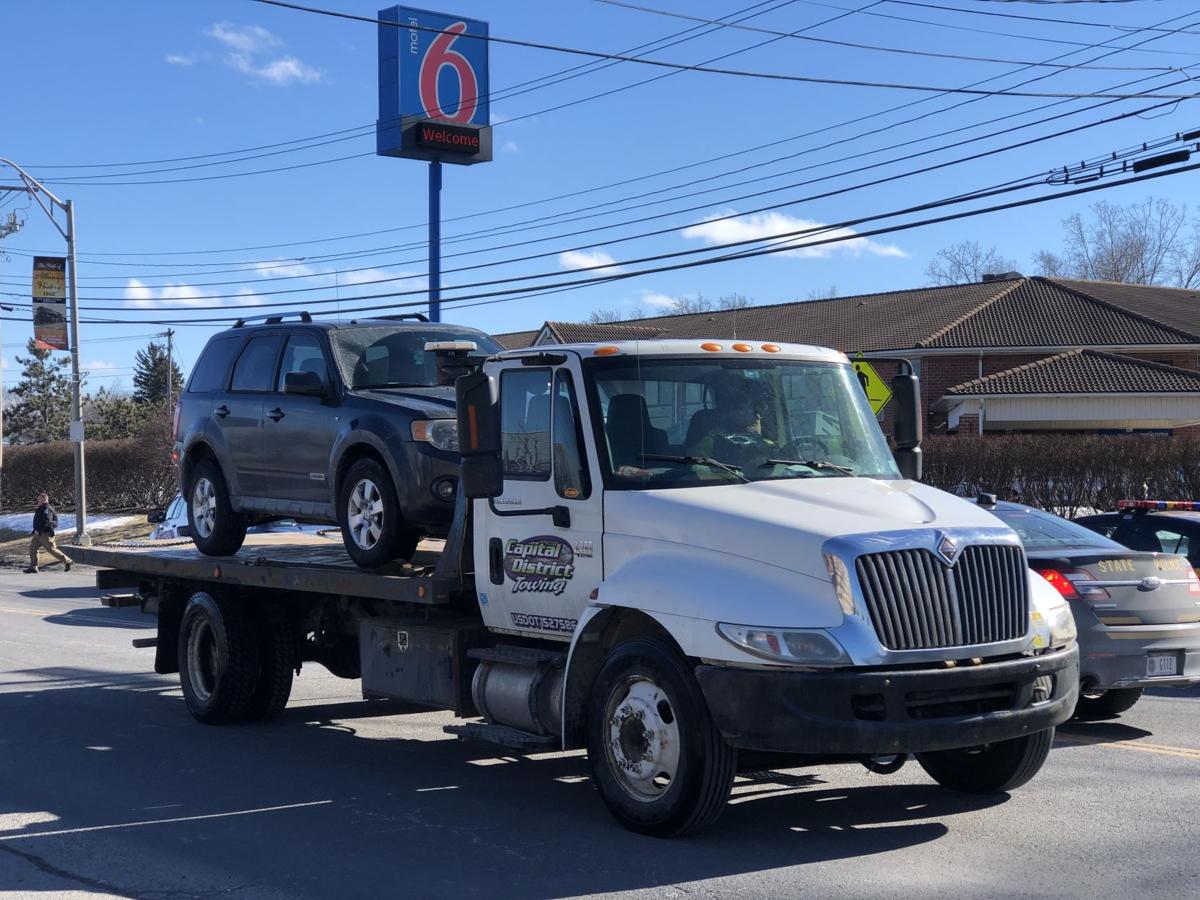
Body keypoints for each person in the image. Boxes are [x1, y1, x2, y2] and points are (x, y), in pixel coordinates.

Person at [26, 491, 71, 574]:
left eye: (39, 499)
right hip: (38, 534)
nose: (38, 501)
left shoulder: (47, 509)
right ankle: (33, 567)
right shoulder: (41, 508)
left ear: (44, 499)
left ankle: (67, 561)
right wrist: (35, 530)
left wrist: (39, 529)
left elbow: (46, 521)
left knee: (52, 550)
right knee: (32, 548)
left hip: (45, 534)